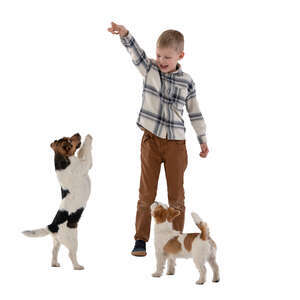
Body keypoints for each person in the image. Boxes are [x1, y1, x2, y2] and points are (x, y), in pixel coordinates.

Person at [108, 22, 209, 256]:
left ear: (180, 55)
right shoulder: (150, 69)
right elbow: (136, 53)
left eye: (168, 57)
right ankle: (141, 239)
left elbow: (195, 111)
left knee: (176, 194)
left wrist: (202, 139)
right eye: (159, 55)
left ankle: (174, 240)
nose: (162, 60)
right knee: (146, 193)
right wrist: (125, 34)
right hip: (151, 141)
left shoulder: (187, 81)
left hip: (176, 144)